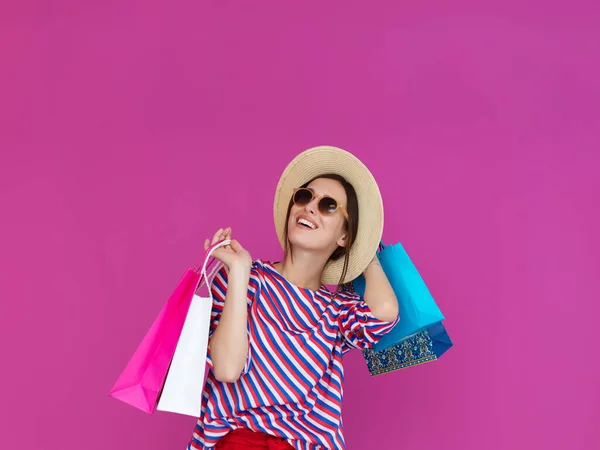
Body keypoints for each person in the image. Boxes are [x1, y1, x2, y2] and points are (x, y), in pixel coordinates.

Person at [187, 146, 400, 450]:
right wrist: (239, 271)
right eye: (304, 197)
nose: (310, 207)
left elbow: (386, 312)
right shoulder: (247, 279)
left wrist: (365, 251)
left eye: (327, 205)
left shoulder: (336, 312)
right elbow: (226, 369)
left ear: (344, 235)